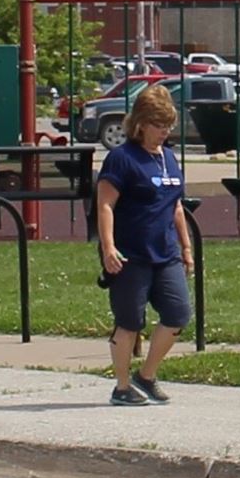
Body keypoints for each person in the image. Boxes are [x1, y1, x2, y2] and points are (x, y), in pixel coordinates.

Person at [96, 83, 194, 406]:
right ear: (139, 123)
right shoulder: (121, 159)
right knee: (129, 322)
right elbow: (105, 205)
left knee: (178, 314)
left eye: (168, 125)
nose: (164, 132)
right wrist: (108, 248)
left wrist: (186, 247)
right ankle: (122, 387)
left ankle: (147, 376)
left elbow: (176, 206)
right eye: (158, 124)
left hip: (165, 254)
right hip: (130, 255)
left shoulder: (168, 158)